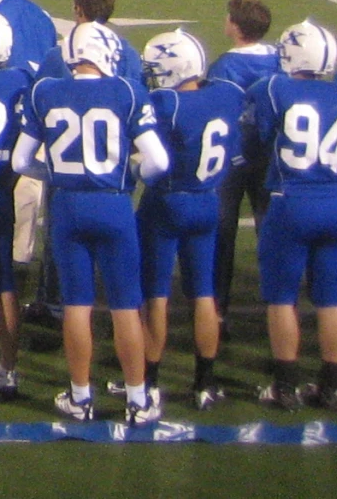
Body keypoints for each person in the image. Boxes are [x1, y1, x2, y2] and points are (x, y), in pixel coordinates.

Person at [15, 22, 167, 424]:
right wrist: (133, 177)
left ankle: (80, 397)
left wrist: (55, 175)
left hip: (67, 206)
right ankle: (137, 399)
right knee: (125, 307)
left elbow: (20, 161)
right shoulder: (128, 91)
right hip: (113, 205)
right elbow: (159, 161)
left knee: (76, 306)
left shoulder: (44, 90)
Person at [137, 29, 243, 409]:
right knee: (204, 295)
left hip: (167, 203)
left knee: (156, 297)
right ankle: (204, 384)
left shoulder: (166, 102)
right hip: (208, 201)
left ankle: (148, 382)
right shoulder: (227, 95)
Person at [245, 20, 337, 411]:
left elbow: (264, 136)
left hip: (292, 200)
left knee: (282, 298)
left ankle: (285, 386)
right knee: (333, 299)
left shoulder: (273, 87)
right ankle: (333, 386)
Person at [209, 0, 280, 336]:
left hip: (232, 157)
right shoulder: (278, 60)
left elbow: (217, 109)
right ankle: (279, 304)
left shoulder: (225, 66)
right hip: (269, 156)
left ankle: (218, 308)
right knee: (271, 230)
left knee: (222, 232)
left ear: (235, 27)